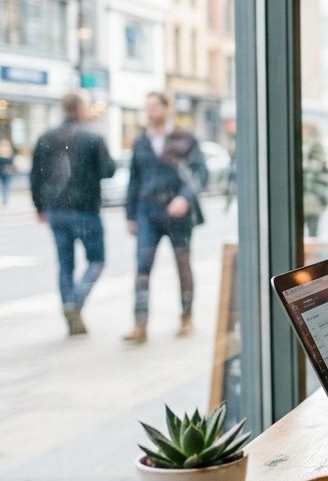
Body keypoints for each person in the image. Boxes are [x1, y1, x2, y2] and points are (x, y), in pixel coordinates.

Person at [124, 91, 208, 344]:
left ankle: (186, 317)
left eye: (155, 107)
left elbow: (200, 173)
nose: (150, 112)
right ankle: (140, 324)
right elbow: (134, 180)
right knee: (142, 265)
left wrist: (184, 198)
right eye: (147, 107)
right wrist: (130, 215)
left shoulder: (186, 138)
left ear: (166, 108)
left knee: (183, 263)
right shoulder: (141, 141)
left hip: (178, 213)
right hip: (147, 211)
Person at [30, 93, 117, 335]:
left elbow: (35, 175)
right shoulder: (93, 137)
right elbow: (108, 170)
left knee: (64, 264)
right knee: (96, 261)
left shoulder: (46, 137)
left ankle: (69, 304)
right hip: (85, 209)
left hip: (56, 210)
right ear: (80, 109)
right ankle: (76, 302)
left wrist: (39, 207)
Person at [0, 140, 15, 206]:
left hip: (1, 171)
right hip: (7, 171)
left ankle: (4, 198)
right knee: (6, 185)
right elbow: (11, 162)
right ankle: (5, 198)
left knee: (2, 185)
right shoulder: (9, 152)